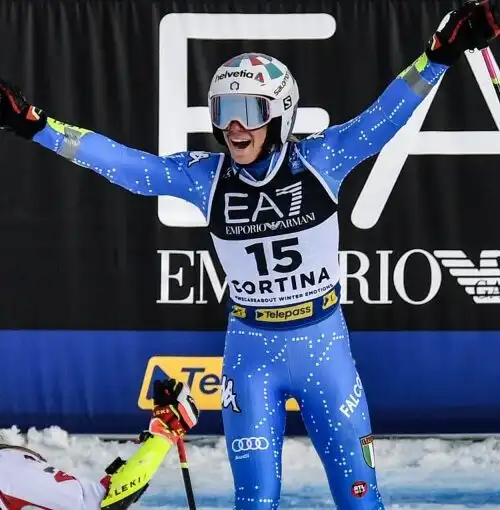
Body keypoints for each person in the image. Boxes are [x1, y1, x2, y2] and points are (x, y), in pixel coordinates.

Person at [0, 1, 498, 508]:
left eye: (249, 112)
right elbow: (125, 164)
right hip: (251, 356)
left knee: (361, 499)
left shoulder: (321, 160)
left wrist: (438, 55)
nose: (234, 127)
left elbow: (385, 115)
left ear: (280, 114)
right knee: (255, 503)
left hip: (323, 350)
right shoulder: (205, 178)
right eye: (223, 111)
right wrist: (37, 126)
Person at [0, 379, 199, 510]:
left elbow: (102, 501)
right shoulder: (9, 470)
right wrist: (163, 435)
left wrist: (162, 436)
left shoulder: (9, 471)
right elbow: (100, 502)